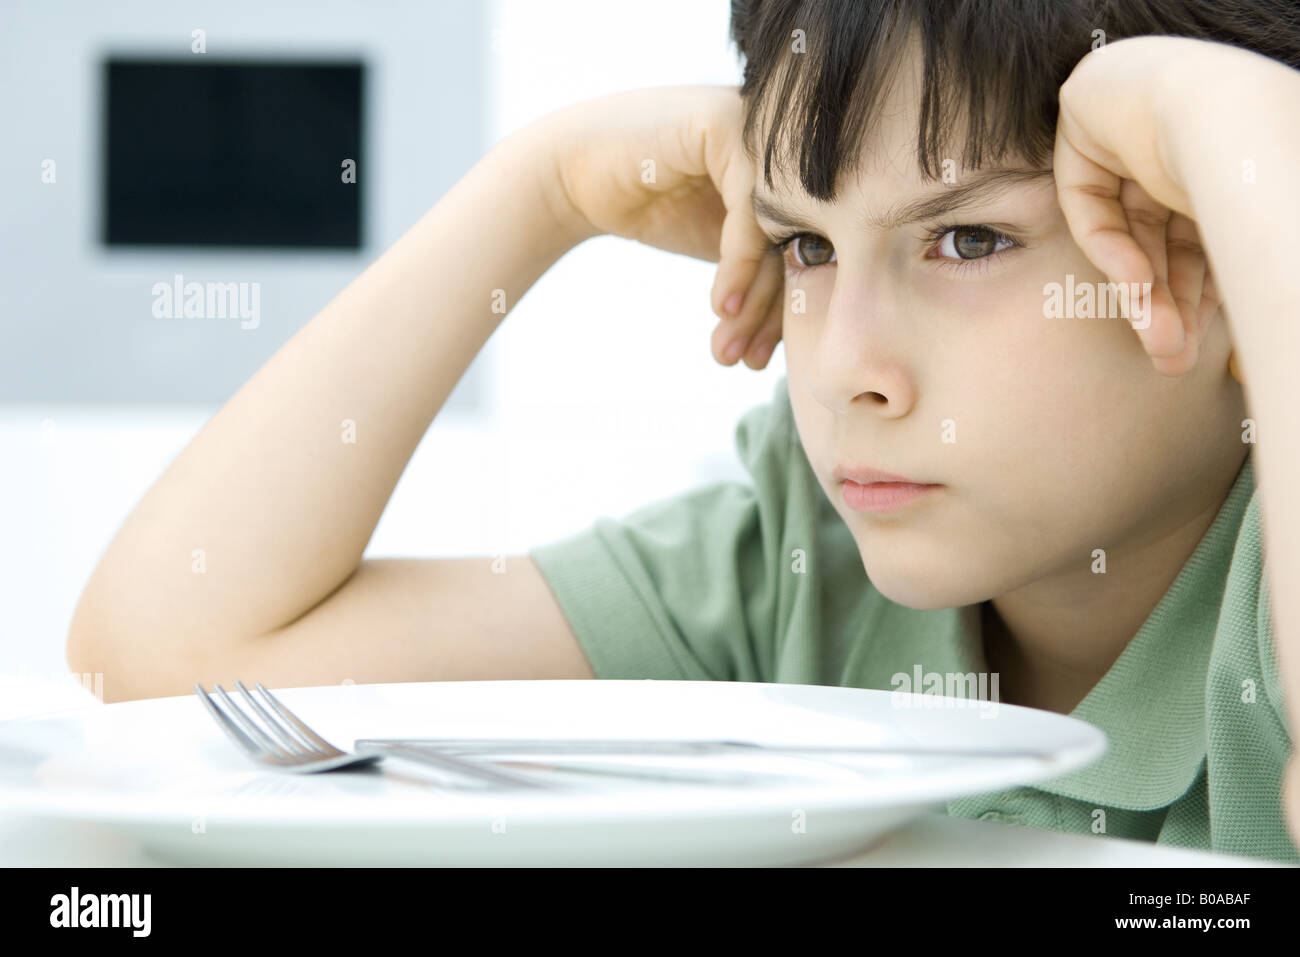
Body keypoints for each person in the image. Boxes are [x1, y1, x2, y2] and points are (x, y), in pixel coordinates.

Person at [68, 0, 1300, 861]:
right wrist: (540, 190)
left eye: (968, 239)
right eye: (804, 244)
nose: (841, 370)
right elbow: (168, 666)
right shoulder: (803, 558)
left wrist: (1245, 124)